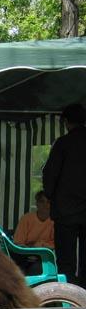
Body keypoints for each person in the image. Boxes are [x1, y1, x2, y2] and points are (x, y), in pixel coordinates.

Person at [43, 103, 86, 287]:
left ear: (66, 122)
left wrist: (51, 195)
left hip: (66, 211)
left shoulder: (63, 143)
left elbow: (50, 173)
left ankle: (68, 300)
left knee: (66, 261)